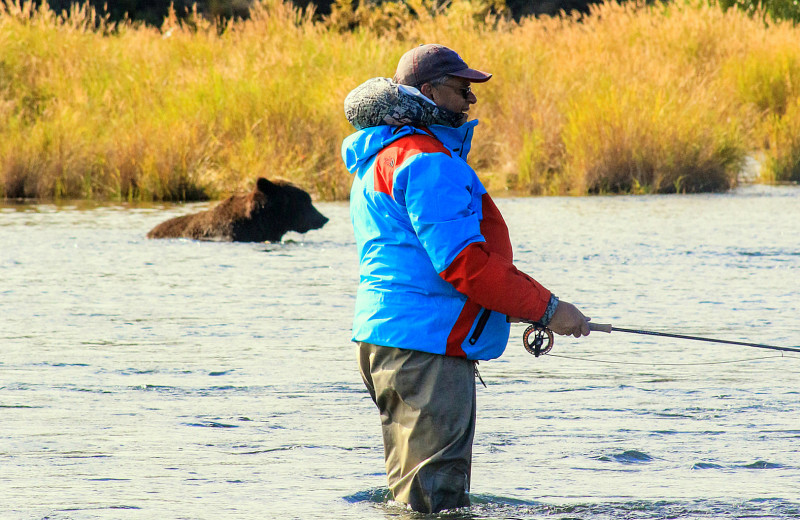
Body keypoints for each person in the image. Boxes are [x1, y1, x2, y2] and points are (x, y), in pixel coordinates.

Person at [341, 44, 591, 513]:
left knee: (411, 496)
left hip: (385, 340)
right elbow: (465, 264)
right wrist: (549, 310)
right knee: (437, 501)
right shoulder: (427, 161)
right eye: (462, 90)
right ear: (430, 92)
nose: (471, 101)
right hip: (427, 349)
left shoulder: (378, 157)